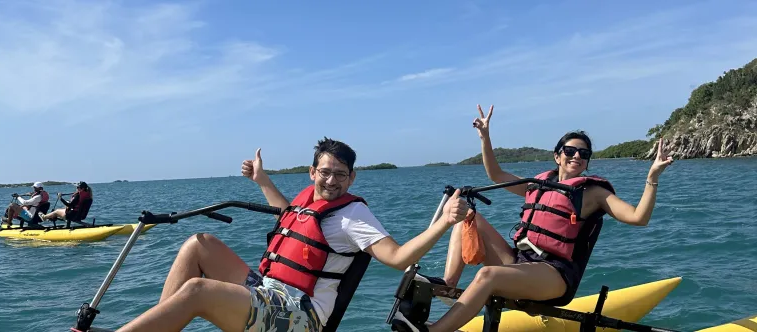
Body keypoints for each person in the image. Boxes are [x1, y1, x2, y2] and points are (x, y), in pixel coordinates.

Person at [116, 137, 470, 332]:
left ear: (352, 179)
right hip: (268, 291)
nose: (332, 181)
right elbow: (291, 217)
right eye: (326, 172)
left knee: (197, 290)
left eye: (341, 175)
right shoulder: (307, 202)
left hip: (301, 315)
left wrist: (444, 222)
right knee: (199, 244)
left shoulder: (352, 215)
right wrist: (262, 180)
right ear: (312, 172)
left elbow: (398, 258)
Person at [392, 104, 675, 332]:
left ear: (587, 161)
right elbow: (497, 175)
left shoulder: (594, 193)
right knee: (469, 215)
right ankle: (448, 284)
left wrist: (652, 178)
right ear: (557, 156)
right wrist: (486, 138)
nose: (576, 155)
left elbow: (639, 218)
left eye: (583, 153)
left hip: (554, 275)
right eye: (570, 151)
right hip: (520, 262)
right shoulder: (539, 184)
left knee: (487, 275)